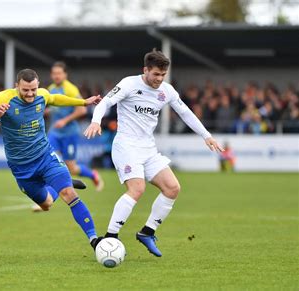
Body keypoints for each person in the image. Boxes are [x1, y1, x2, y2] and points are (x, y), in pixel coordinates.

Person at [84, 49, 223, 257]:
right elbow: (105, 102)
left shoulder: (166, 90)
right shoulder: (129, 84)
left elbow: (185, 112)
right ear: (145, 70)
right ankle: (111, 237)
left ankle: (147, 232)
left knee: (172, 188)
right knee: (137, 189)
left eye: (163, 75)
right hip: (126, 146)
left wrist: (206, 135)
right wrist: (96, 121)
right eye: (156, 74)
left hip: (148, 149)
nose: (159, 79)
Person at [0, 68, 103, 250]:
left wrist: (83, 102)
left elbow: (56, 99)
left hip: (45, 156)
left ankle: (94, 240)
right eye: (25, 90)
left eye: (33, 89)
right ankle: (60, 182)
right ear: (17, 86)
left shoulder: (42, 95)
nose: (30, 94)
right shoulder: (4, 98)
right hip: (21, 167)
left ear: (38, 85)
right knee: (47, 204)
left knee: (69, 194)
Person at [47, 62, 104, 191]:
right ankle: (49, 194)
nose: (56, 76)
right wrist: (48, 111)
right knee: (49, 159)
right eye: (54, 73)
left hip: (69, 133)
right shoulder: (51, 88)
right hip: (54, 132)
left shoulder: (70, 89)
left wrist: (65, 121)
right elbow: (57, 106)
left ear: (65, 74)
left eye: (59, 73)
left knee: (72, 168)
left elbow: (82, 110)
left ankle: (93, 175)